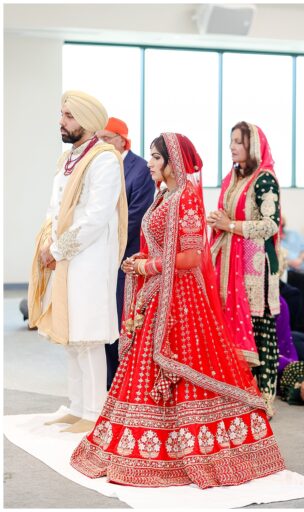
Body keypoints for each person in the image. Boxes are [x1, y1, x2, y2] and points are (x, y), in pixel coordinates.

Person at [70, 133, 286, 487]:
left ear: (172, 161)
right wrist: (144, 260)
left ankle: (194, 444)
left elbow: (190, 257)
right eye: (152, 157)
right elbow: (162, 248)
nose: (150, 163)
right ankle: (143, 442)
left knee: (187, 369)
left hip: (180, 301)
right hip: (158, 295)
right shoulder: (163, 196)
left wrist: (146, 267)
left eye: (156, 158)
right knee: (143, 371)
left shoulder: (185, 198)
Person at [28, 91, 127, 433]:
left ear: (85, 120)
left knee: (88, 335)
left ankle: (95, 411)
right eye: (62, 113)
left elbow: (96, 217)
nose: (61, 121)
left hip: (89, 259)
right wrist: (47, 242)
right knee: (69, 335)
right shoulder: (68, 159)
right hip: (66, 257)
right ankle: (78, 405)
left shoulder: (104, 159)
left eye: (68, 115)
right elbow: (54, 208)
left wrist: (57, 250)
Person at [207, 122, 282, 414]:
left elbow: (270, 225)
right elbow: (228, 216)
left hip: (256, 267)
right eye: (231, 141)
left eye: (238, 141)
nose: (232, 147)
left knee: (262, 329)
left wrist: (231, 225)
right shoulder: (233, 179)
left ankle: (265, 397)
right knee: (229, 328)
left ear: (252, 146)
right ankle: (238, 391)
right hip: (229, 264)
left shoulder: (264, 180)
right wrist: (219, 220)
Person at [96, 116, 156, 388]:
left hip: (125, 259)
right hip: (100, 258)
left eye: (107, 138)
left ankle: (124, 383)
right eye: (99, 139)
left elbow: (136, 215)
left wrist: (107, 243)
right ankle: (107, 382)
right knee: (102, 322)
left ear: (122, 139)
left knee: (122, 322)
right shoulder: (99, 166)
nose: (102, 144)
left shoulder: (140, 168)